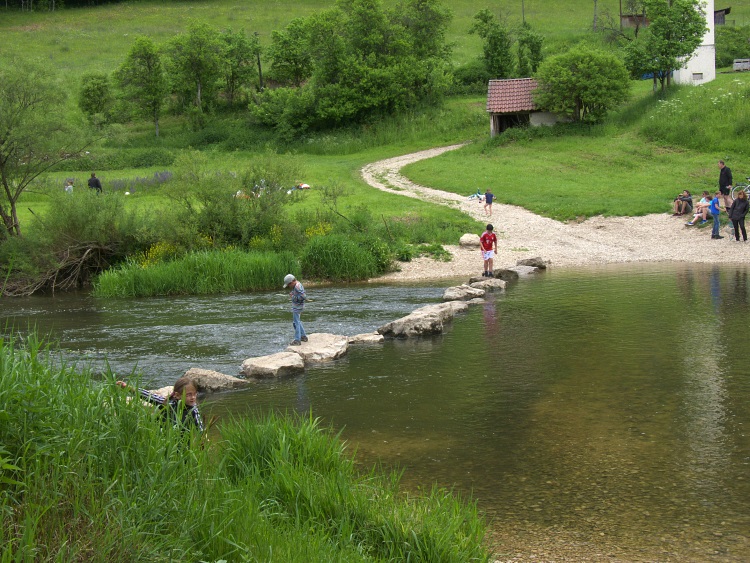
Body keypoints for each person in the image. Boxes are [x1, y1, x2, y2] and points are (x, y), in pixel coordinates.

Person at [116, 376, 204, 433]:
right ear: (177, 395)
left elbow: (200, 429)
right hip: (164, 438)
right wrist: (128, 388)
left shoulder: (193, 410)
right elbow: (148, 395)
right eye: (189, 395)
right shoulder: (169, 403)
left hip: (183, 444)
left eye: (195, 394)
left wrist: (202, 441)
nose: (193, 397)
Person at [283, 274, 308, 345]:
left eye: (288, 285)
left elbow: (303, 296)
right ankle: (303, 336)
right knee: (297, 322)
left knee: (296, 323)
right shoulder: (297, 284)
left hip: (298, 307)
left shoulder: (297, 287)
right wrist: (292, 293)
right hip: (298, 306)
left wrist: (293, 297)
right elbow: (297, 293)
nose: (288, 286)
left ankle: (297, 340)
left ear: (292, 282)